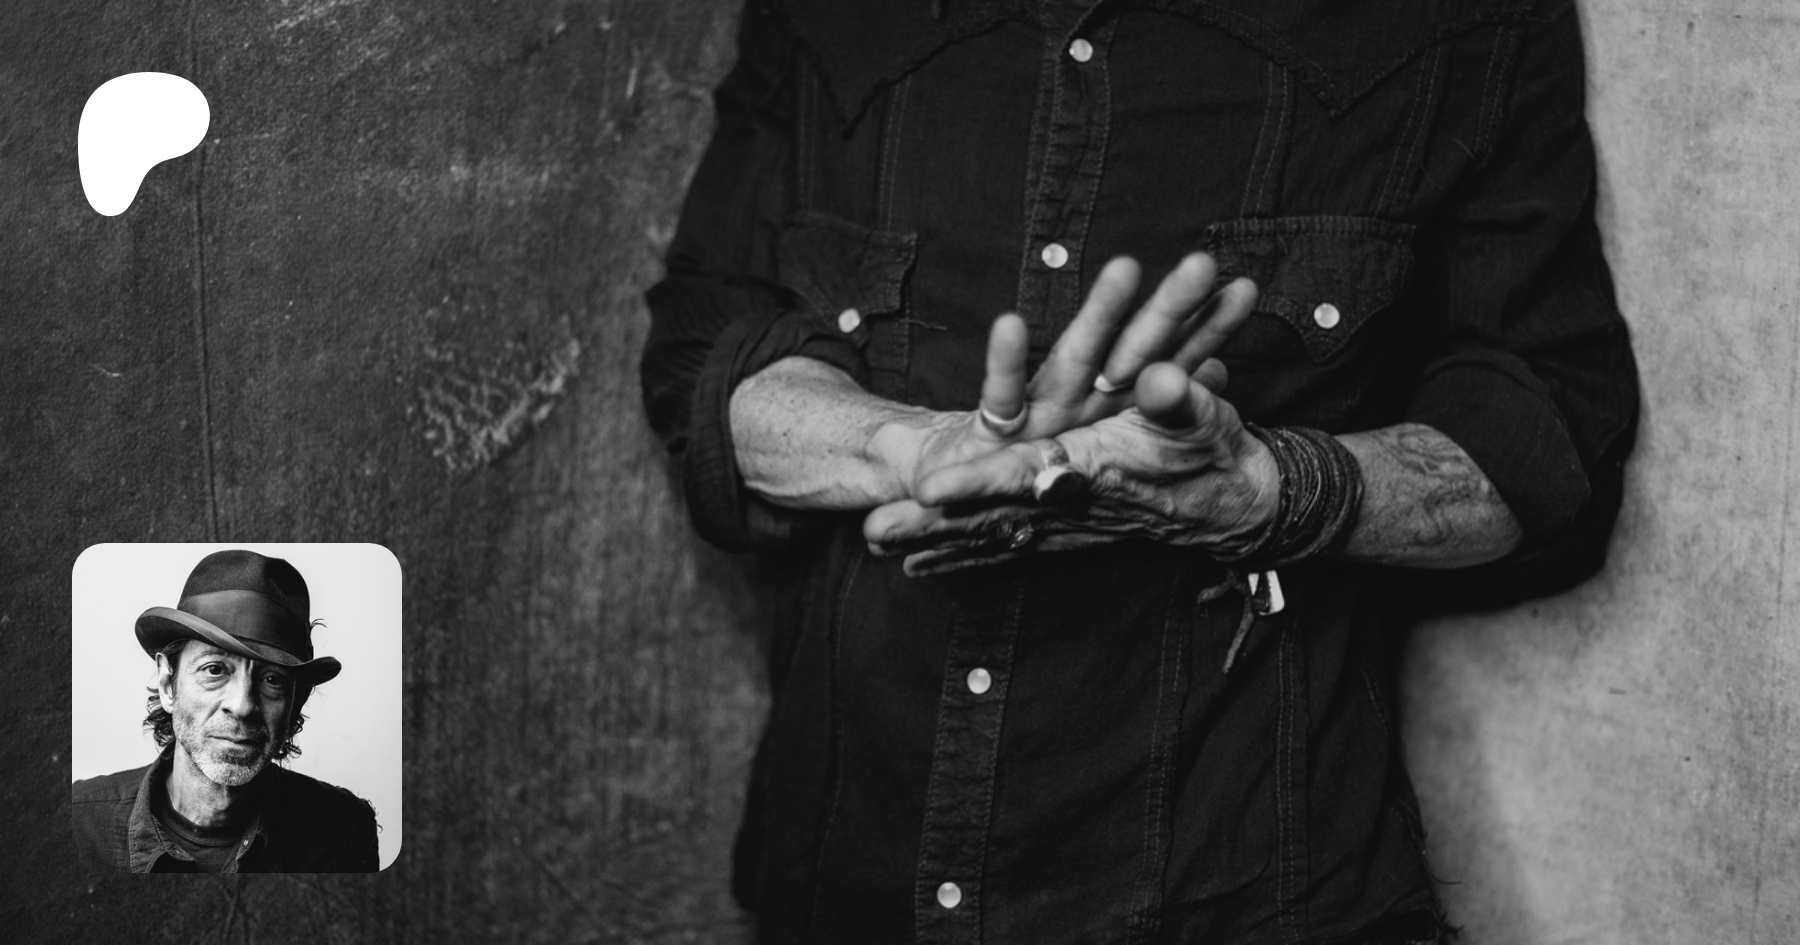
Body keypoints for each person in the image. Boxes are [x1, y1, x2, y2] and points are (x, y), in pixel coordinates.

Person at [640, 0, 1639, 940]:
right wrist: (906, 447)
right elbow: (702, 351)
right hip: (845, 894)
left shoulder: (1464, 21)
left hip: (1258, 900)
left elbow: (1543, 439)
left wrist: (1274, 494)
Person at [71, 549, 379, 873]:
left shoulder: (344, 836)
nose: (243, 705)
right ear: (168, 684)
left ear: (296, 702)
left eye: (273, 679)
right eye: (215, 669)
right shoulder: (78, 823)